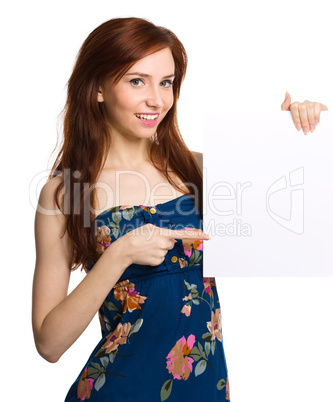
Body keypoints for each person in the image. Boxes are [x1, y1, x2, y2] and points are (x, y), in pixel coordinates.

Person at [31, 17, 328, 402]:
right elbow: (49, 344)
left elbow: (307, 208)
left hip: (204, 387)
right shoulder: (64, 193)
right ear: (99, 88)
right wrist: (119, 254)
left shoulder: (199, 170)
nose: (156, 99)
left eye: (166, 82)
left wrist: (299, 130)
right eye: (137, 81)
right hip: (117, 390)